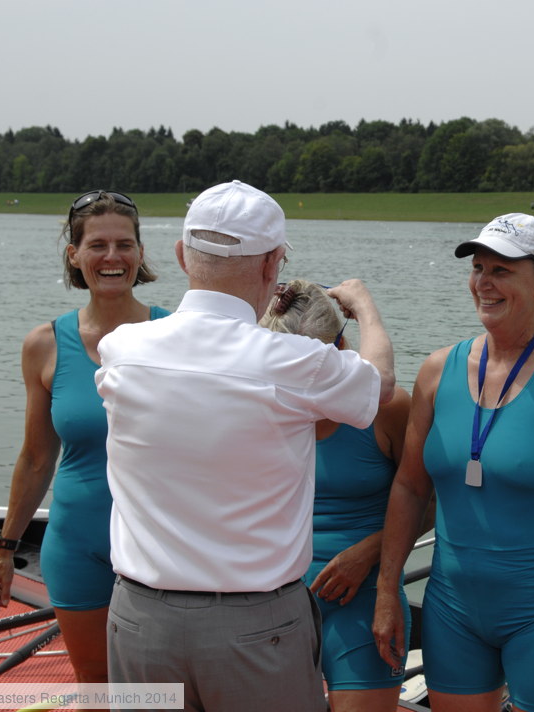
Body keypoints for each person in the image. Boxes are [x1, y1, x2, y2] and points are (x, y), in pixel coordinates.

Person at [95, 180, 396, 712]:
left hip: (140, 620)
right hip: (254, 628)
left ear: (184, 256)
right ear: (270, 264)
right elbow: (379, 384)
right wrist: (365, 309)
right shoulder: (291, 363)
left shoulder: (119, 351)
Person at [373, 213, 534, 712]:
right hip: (453, 608)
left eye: (502, 271)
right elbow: (409, 488)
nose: (484, 283)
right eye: (478, 269)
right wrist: (387, 589)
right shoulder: (437, 370)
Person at [0, 190, 169, 685]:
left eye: (125, 244)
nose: (113, 257)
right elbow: (37, 459)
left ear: (141, 252)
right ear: (75, 254)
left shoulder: (176, 334)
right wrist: (5, 549)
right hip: (77, 544)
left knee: (160, 690)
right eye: (98, 245)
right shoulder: (44, 344)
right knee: (95, 683)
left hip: (162, 548)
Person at [260, 279, 422, 712]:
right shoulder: (258, 407)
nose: (303, 379)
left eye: (315, 363)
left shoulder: (387, 410)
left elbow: (432, 502)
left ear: (343, 346)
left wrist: (368, 553)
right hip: (275, 602)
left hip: (365, 598)